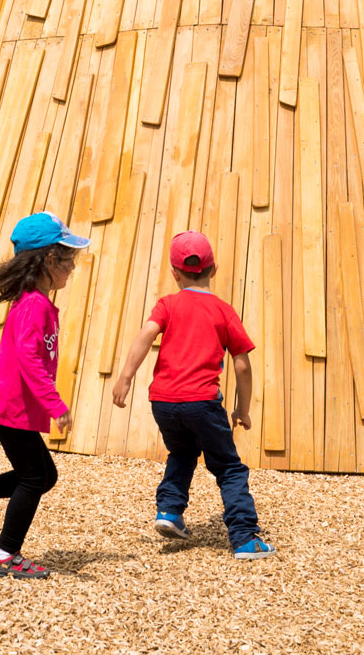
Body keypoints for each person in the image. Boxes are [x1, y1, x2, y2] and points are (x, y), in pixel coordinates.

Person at [110, 230, 271, 558]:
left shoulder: (167, 304)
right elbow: (241, 365)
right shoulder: (224, 311)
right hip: (202, 402)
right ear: (213, 270)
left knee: (182, 453)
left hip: (164, 402)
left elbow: (146, 333)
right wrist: (243, 408)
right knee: (228, 467)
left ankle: (169, 512)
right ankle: (244, 538)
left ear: (174, 273)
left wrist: (125, 377)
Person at [0, 212, 90, 580]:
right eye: (68, 260)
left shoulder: (37, 301)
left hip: (12, 409)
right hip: (8, 409)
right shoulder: (33, 305)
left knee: (45, 476)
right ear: (47, 260)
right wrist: (56, 405)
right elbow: (28, 358)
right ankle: (4, 556)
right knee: (33, 478)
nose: (72, 268)